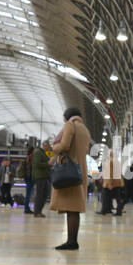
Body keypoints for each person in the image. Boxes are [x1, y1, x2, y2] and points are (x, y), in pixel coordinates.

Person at [50, 106, 90, 250]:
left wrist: (53, 147)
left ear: (67, 117)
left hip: (69, 171)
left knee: (71, 208)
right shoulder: (84, 129)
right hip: (79, 170)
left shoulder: (70, 125)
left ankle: (72, 242)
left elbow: (65, 145)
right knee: (74, 208)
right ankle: (71, 240)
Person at [29, 140, 51, 217]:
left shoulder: (42, 153)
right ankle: (37, 212)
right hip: (40, 176)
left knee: (45, 194)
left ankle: (39, 211)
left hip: (44, 176)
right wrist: (48, 163)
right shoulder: (38, 152)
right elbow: (37, 164)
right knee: (39, 195)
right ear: (44, 146)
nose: (49, 148)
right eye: (48, 147)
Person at [22, 146, 34, 214]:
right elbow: (30, 168)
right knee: (28, 194)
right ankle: (26, 208)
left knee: (28, 194)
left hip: (27, 178)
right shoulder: (30, 158)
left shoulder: (27, 157)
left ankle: (27, 207)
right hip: (30, 178)